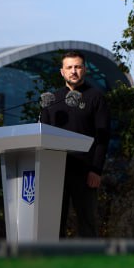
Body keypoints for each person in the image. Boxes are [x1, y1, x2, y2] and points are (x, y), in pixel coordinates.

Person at [39, 51, 111, 237]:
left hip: (85, 171)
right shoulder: (52, 100)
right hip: (55, 170)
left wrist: (96, 170)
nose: (74, 71)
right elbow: (42, 136)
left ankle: (91, 264)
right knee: (53, 224)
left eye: (78, 67)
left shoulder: (96, 97)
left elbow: (102, 137)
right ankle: (55, 263)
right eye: (69, 67)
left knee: (87, 222)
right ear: (62, 72)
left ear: (84, 70)